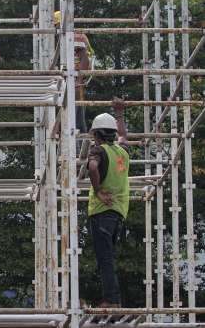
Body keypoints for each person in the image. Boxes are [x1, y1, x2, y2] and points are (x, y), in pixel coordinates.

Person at [87, 97, 129, 308]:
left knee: (105, 259)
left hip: (102, 211)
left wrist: (98, 190)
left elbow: (92, 166)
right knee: (108, 258)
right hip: (118, 212)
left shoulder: (98, 150)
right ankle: (113, 299)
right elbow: (123, 135)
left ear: (96, 135)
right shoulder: (120, 151)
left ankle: (112, 301)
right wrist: (119, 113)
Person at [54, 10, 94, 133]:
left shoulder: (75, 36)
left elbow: (85, 59)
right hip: (70, 78)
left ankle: (78, 140)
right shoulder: (64, 37)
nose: (56, 29)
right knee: (72, 110)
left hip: (76, 77)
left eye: (57, 25)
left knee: (75, 112)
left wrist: (78, 80)